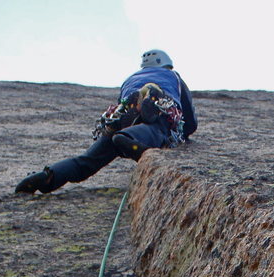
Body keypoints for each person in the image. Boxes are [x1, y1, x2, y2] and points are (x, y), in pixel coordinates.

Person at [15, 49, 197, 194]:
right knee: (159, 128)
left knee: (87, 160)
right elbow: (189, 117)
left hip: (124, 112)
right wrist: (186, 132)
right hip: (159, 105)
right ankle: (129, 135)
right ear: (167, 64)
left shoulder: (130, 79)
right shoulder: (174, 77)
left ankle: (50, 176)